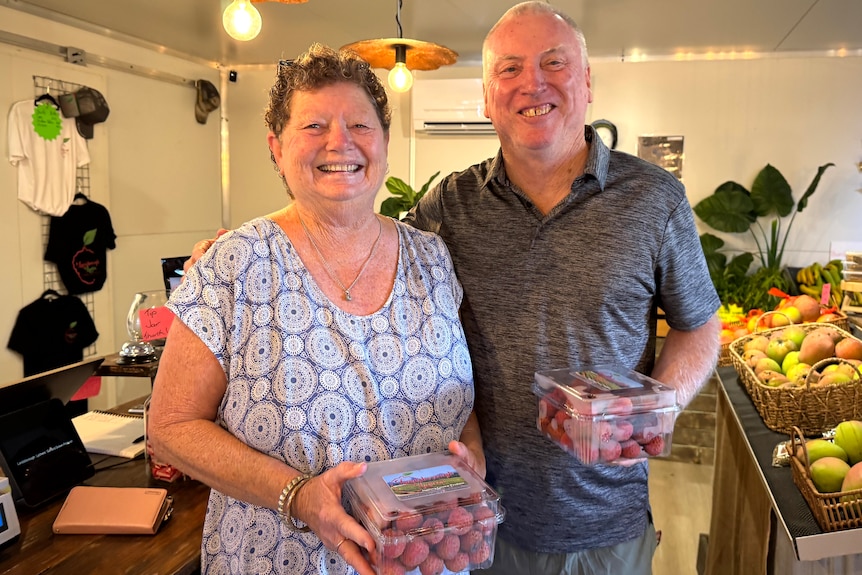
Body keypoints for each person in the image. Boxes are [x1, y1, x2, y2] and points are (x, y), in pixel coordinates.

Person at [187, 3, 721, 573]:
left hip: (604, 523)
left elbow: (699, 324)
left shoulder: (654, 200)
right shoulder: (449, 208)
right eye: (509, 69)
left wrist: (650, 413)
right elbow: (348, 227)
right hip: (470, 523)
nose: (532, 84)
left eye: (554, 62)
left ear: (587, 82)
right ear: (487, 98)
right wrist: (237, 253)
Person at [148, 44, 482, 575]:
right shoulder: (233, 265)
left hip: (426, 560)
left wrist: (471, 459)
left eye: (359, 124)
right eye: (314, 126)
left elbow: (461, 404)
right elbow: (169, 426)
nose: (339, 142)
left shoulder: (433, 259)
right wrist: (298, 496)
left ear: (385, 144)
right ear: (276, 148)